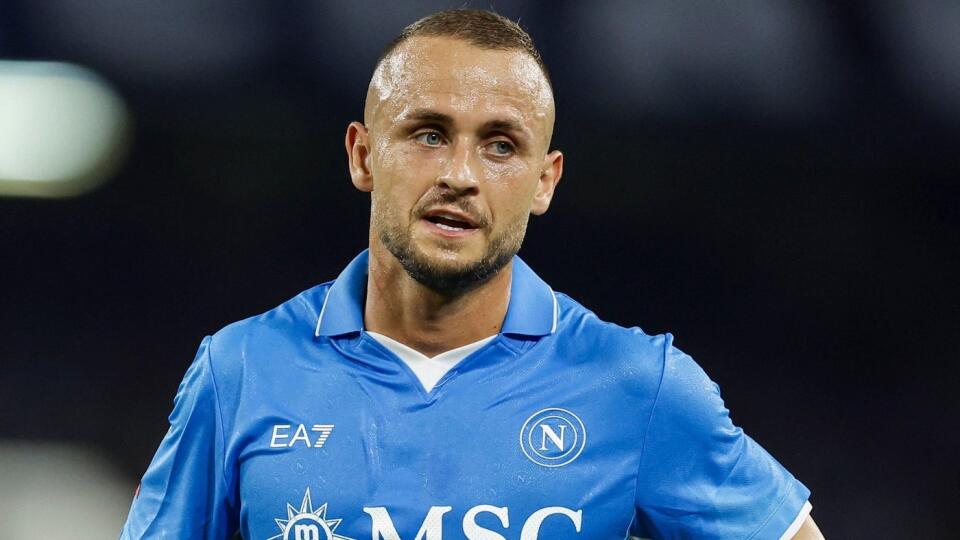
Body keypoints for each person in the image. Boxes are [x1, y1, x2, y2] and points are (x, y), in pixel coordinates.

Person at [121, 9, 824, 540]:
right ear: (364, 155)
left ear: (544, 181)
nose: (460, 174)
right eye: (428, 134)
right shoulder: (240, 370)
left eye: (500, 145)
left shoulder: (637, 387)